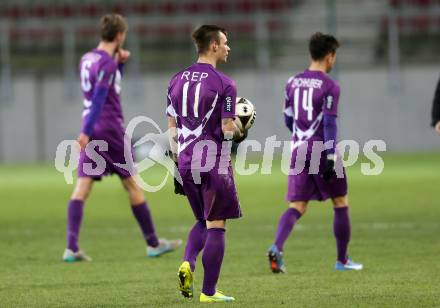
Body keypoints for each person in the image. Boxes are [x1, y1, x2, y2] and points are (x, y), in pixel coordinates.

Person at [63, 14, 181, 262]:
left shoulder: (87, 59)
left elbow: (106, 87)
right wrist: (84, 133)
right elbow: (100, 98)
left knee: (82, 188)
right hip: (109, 129)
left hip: (93, 126)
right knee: (132, 185)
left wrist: (120, 65)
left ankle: (71, 247)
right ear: (118, 36)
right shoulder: (106, 63)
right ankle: (152, 243)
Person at [267, 32, 363, 273]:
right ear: (330, 56)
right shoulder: (330, 85)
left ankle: (277, 247)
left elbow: (287, 119)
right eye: (335, 56)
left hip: (298, 148)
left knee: (297, 205)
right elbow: (330, 123)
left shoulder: (292, 82)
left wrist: (300, 137)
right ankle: (342, 260)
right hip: (321, 147)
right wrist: (330, 154)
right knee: (340, 202)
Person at [167, 25, 245, 302]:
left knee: (202, 219)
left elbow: (172, 129)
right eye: (225, 42)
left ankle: (188, 261)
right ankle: (208, 292)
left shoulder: (175, 80)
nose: (228, 47)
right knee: (217, 225)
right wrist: (240, 130)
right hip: (212, 159)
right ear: (213, 45)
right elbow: (226, 127)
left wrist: (177, 167)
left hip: (185, 160)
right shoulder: (225, 84)